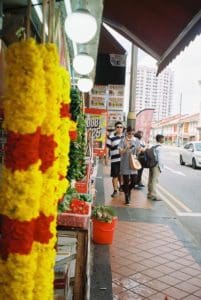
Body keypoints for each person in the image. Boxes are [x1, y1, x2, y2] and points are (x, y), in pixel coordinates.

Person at [119, 126, 140, 205]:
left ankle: (126, 189)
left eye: (132, 133)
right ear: (126, 132)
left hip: (133, 163)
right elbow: (120, 152)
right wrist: (126, 148)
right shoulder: (122, 140)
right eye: (129, 133)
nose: (131, 134)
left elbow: (138, 151)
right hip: (125, 163)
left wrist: (139, 150)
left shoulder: (136, 140)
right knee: (126, 180)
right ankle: (127, 198)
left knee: (134, 181)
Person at [106, 121, 124, 197]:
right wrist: (106, 158)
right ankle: (115, 190)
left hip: (124, 160)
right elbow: (107, 148)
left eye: (121, 127)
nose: (119, 128)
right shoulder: (111, 137)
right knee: (115, 175)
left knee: (122, 175)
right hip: (115, 160)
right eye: (118, 127)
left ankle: (121, 187)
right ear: (115, 128)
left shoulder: (125, 137)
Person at [147, 134, 165, 201]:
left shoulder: (153, 146)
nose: (164, 140)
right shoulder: (160, 147)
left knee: (150, 179)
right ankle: (153, 195)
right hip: (156, 165)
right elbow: (160, 158)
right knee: (154, 180)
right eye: (163, 138)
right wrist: (161, 168)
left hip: (151, 164)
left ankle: (149, 194)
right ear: (160, 139)